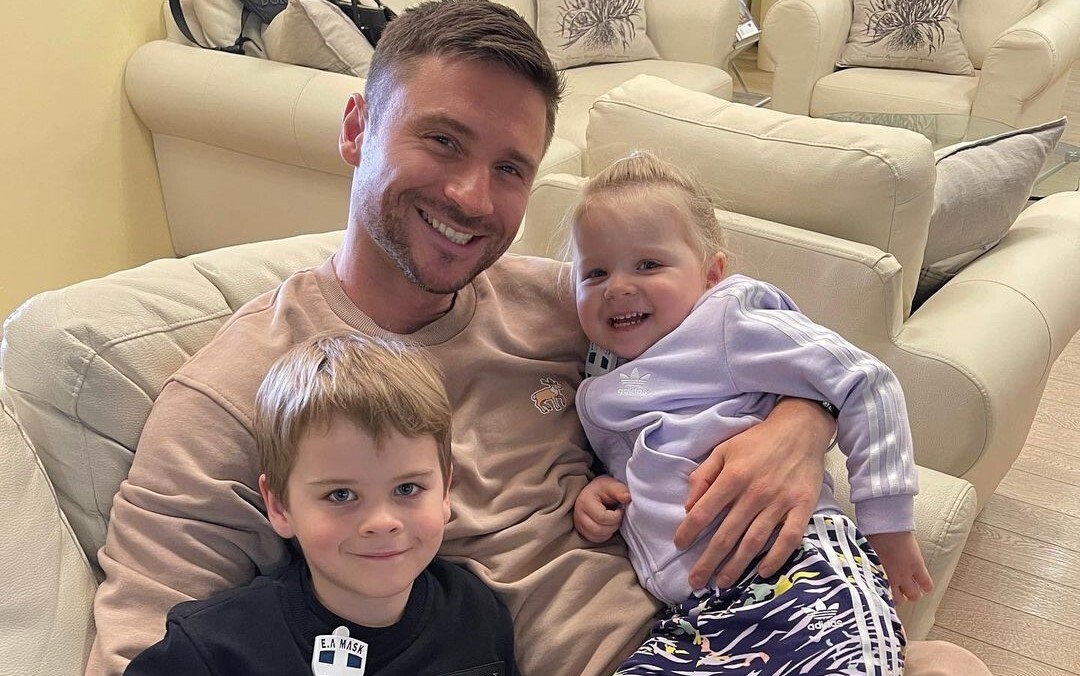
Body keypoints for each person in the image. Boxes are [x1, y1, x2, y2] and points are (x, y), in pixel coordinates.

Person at [87, 1, 990, 674]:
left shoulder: (568, 303)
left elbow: (756, 333)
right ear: (357, 130)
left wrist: (799, 423)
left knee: (949, 665)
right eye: (443, 141)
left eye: (510, 167)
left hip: (722, 632)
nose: (472, 198)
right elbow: (143, 649)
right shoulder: (239, 391)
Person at [568, 152, 933, 674]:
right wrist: (602, 489)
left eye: (648, 265)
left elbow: (864, 380)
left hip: (797, 569)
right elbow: (645, 457)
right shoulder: (599, 378)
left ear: (711, 273)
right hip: (695, 612)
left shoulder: (727, 321)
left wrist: (888, 527)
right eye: (595, 272)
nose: (618, 286)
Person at [123, 332, 518, 675]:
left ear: (445, 491)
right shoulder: (212, 649)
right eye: (340, 495)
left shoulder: (476, 613)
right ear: (280, 507)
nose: (382, 522)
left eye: (407, 489)